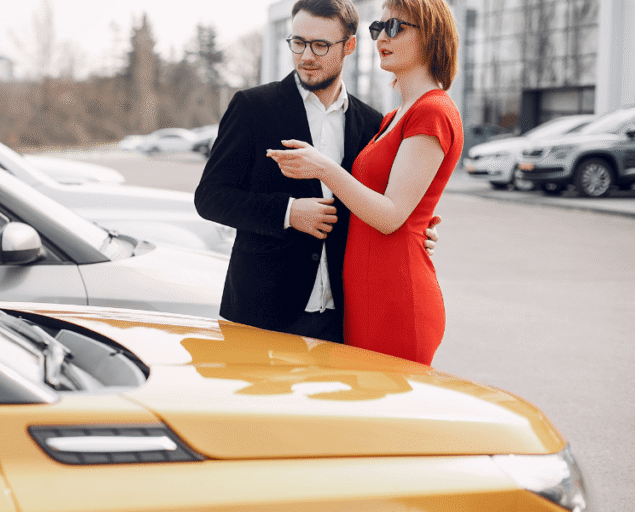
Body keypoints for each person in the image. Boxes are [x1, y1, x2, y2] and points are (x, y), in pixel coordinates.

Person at [194, 0, 438, 344]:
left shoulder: (371, 123)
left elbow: (379, 206)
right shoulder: (253, 107)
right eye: (298, 42)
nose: (306, 56)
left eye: (320, 45)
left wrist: (412, 232)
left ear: (349, 46)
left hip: (343, 316)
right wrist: (289, 212)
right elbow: (210, 198)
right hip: (262, 313)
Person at [268, 0, 463, 365]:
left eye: (395, 28)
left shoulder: (433, 110)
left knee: (390, 417)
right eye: (379, 28)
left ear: (431, 35)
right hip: (365, 294)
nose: (381, 38)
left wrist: (323, 167)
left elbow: (390, 216)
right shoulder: (392, 117)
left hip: (396, 299)